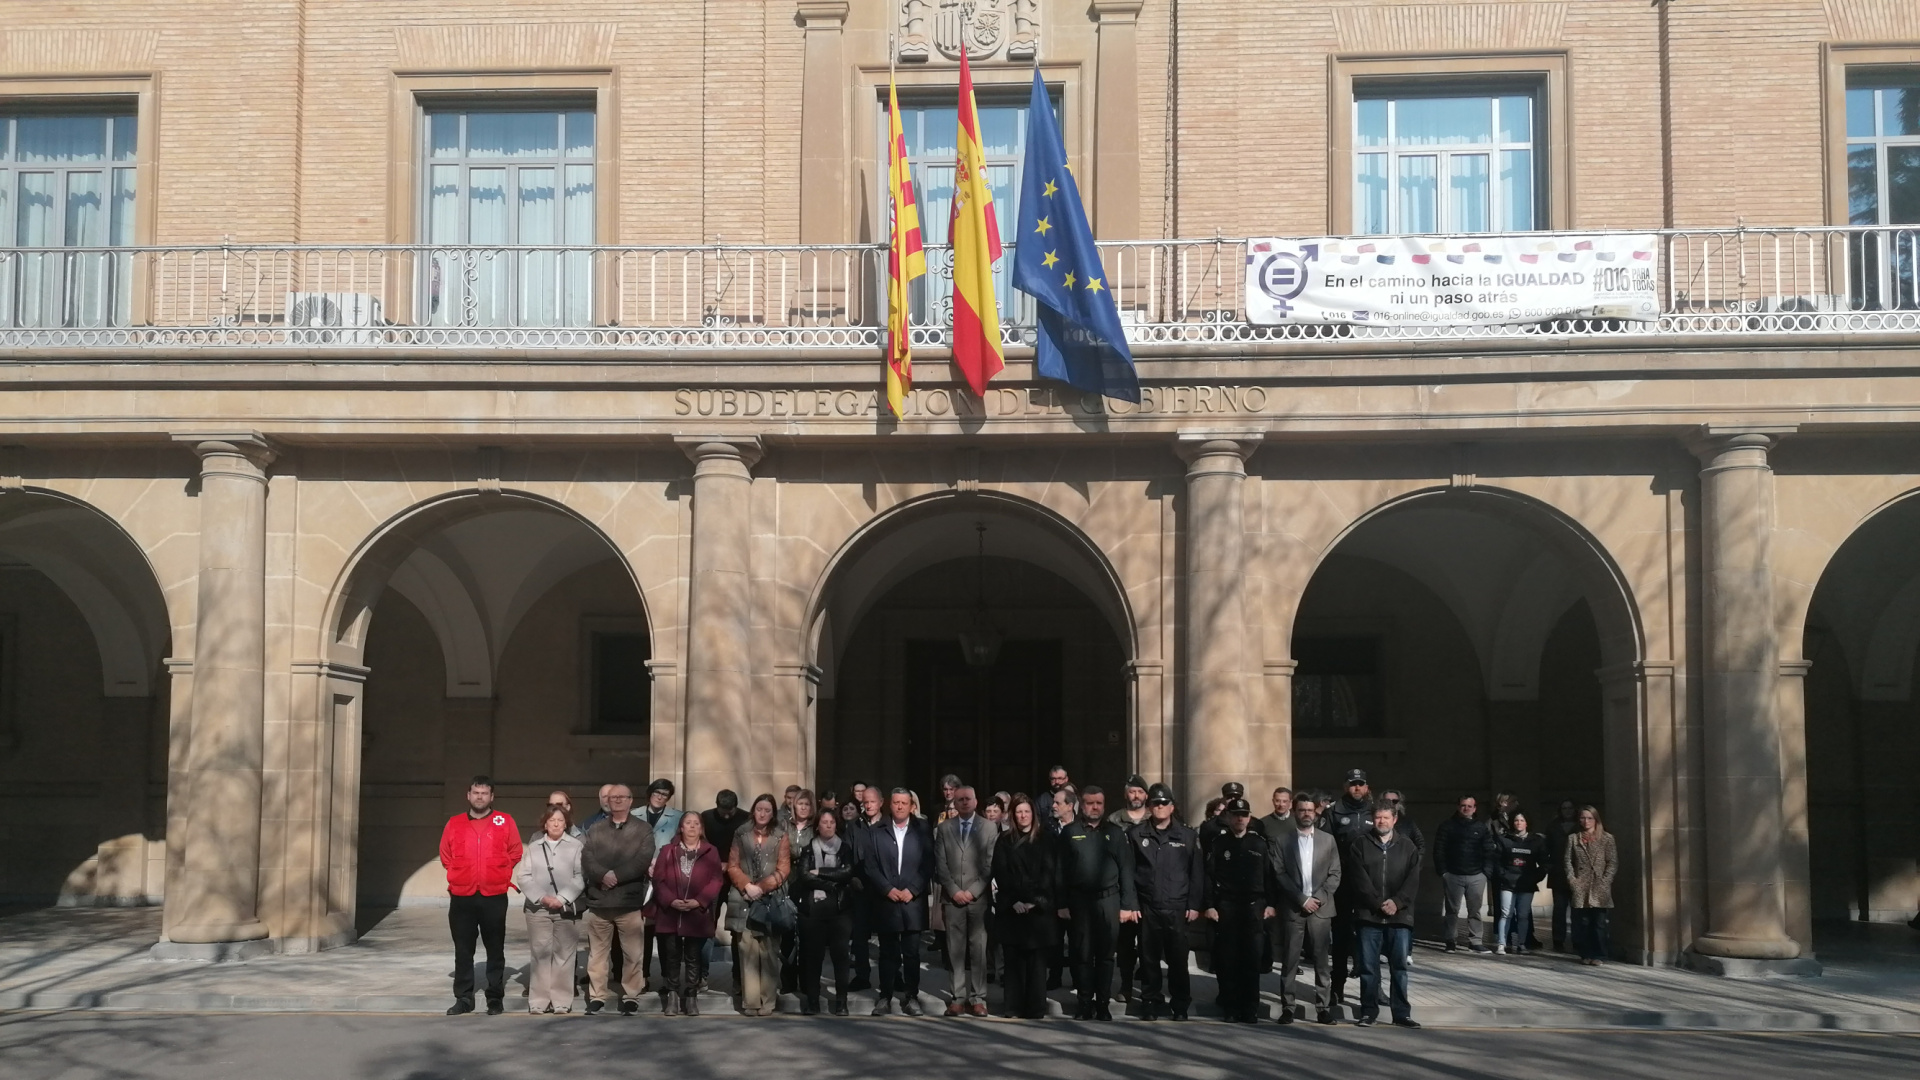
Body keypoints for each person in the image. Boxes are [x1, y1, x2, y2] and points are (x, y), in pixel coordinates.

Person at [439, 776, 522, 1016]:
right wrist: (460, 872)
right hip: (462, 896)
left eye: (484, 793)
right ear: (468, 795)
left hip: (493, 895)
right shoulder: (454, 823)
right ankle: (464, 998)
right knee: (463, 950)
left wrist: (500, 872)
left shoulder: (504, 821)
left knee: (495, 948)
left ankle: (495, 997)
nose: (479, 797)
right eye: (476, 792)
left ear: (492, 797)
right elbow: (445, 854)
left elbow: (515, 851)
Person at [1057, 786, 1139, 1021]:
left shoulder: (1115, 833)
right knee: (1082, 954)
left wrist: (1128, 905)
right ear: (1081, 805)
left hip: (1108, 901)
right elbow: (1060, 871)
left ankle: (1102, 1004)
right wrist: (1062, 903)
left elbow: (1126, 870)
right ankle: (1084, 1003)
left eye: (1099, 803)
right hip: (1079, 902)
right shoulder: (1070, 833)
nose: (1095, 807)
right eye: (1090, 803)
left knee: (1105, 956)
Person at [1129, 782, 1204, 1022]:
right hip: (1147, 907)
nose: (1160, 807)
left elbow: (1196, 873)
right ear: (1149, 806)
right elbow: (1129, 873)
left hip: (1177, 907)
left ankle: (1180, 1005)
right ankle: (1150, 1002)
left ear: (1172, 807)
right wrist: (1131, 904)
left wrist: (1194, 904)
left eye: (1164, 803)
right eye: (1155, 803)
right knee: (1148, 960)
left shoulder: (1188, 836)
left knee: (1178, 961)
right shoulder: (1136, 834)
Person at [582, 783, 656, 1015]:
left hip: (628, 902)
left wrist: (617, 876)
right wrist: (603, 875)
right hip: (599, 902)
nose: (616, 800)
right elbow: (587, 857)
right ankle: (597, 996)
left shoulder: (642, 829)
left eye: (622, 797)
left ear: (630, 801)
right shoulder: (595, 829)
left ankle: (631, 996)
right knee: (597, 956)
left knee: (633, 955)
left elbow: (643, 859)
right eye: (613, 797)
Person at [1347, 803, 1420, 1029]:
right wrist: (1378, 903)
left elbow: (1413, 880)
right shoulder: (1360, 844)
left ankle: (1401, 1014)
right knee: (1369, 968)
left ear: (1394, 819)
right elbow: (1358, 879)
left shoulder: (1408, 846)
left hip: (1400, 918)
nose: (1382, 821)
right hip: (1369, 916)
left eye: (1386, 817)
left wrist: (1397, 902)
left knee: (1399, 968)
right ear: (1373, 819)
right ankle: (1368, 1012)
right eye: (1378, 817)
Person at [645, 812, 724, 1016]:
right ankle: (672, 995)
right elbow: (658, 880)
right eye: (688, 823)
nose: (692, 826)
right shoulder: (668, 850)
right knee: (671, 956)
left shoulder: (710, 851)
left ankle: (691, 995)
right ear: (681, 827)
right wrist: (671, 900)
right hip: (670, 911)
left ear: (701, 828)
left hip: (696, 912)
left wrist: (699, 900)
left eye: (696, 823)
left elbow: (716, 879)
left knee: (693, 957)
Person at [1271, 792, 1341, 1024]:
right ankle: (1288, 1007)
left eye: (1310, 810)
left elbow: (1335, 874)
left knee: (1321, 961)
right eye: (1302, 810)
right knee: (1290, 960)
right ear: (1295, 812)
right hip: (1294, 907)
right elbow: (1279, 873)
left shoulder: (1328, 840)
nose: (1306, 814)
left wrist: (1317, 898)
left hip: (1321, 909)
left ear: (1315, 813)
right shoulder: (1283, 840)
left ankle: (1323, 1007)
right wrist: (1302, 899)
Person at [864, 788, 934, 1015]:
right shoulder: (876, 831)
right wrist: (887, 889)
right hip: (887, 902)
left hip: (913, 901)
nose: (900, 806)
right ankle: (885, 997)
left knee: (912, 953)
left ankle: (911, 997)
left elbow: (929, 863)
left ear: (912, 806)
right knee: (887, 953)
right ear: (890, 804)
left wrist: (913, 889)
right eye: (896, 802)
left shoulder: (923, 829)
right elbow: (870, 866)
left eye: (904, 803)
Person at [1202, 797, 1272, 1024]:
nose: (1240, 819)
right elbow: (1209, 877)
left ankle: (1250, 1008)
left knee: (1252, 960)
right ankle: (1230, 1007)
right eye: (1236, 815)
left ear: (1249, 818)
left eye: (1244, 815)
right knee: (1228, 960)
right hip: (1227, 907)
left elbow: (1269, 876)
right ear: (1228, 817)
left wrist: (1271, 904)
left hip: (1253, 907)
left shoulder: (1259, 844)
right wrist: (1209, 905)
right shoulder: (1219, 843)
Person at [933, 784, 999, 1016]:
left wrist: (973, 891)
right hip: (952, 898)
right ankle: (958, 997)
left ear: (975, 801)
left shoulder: (989, 827)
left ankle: (978, 998)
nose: (964, 802)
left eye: (967, 799)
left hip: (978, 898)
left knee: (978, 949)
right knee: (955, 949)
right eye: (959, 799)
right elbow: (940, 864)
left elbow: (990, 864)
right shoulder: (945, 828)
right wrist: (953, 890)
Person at [991, 794, 1058, 1019]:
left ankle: (1036, 1007)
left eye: (1026, 811)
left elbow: (1050, 872)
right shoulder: (1004, 840)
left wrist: (1035, 901)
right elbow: (1001, 871)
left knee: (1037, 964)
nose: (1023, 816)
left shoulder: (1046, 839)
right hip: (1013, 908)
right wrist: (1014, 901)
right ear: (1013, 815)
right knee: (1014, 962)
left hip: (1038, 909)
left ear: (1033, 814)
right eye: (1019, 812)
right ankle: (1013, 1007)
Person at [514, 804, 585, 1014]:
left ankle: (561, 1001)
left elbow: (580, 876)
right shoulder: (534, 847)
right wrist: (542, 897)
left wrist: (562, 899)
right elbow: (523, 876)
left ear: (566, 824)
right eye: (551, 820)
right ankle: (539, 1001)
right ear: (545, 824)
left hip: (566, 908)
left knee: (564, 955)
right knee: (540, 954)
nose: (555, 824)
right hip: (538, 909)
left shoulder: (576, 846)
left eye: (560, 821)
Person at [725, 793, 791, 1016]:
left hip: (770, 899)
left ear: (773, 814)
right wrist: (746, 886)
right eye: (759, 809)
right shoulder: (741, 833)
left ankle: (768, 1001)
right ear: (753, 810)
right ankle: (751, 1001)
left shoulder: (780, 835)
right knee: (748, 952)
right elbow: (732, 865)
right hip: (744, 898)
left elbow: (784, 869)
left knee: (769, 953)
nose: (762, 814)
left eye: (767, 810)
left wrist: (761, 887)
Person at [794, 804, 858, 1015]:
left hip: (840, 910)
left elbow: (847, 872)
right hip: (813, 911)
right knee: (814, 958)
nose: (829, 826)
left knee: (841, 957)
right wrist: (832, 883)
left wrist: (820, 871)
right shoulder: (808, 849)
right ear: (818, 826)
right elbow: (804, 876)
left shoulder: (845, 848)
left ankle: (841, 1002)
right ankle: (813, 1001)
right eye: (824, 822)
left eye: (832, 822)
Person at [1434, 794, 1497, 954]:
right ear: (1458, 807)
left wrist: (1486, 873)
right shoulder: (1447, 826)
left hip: (1477, 876)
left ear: (1475, 809)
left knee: (1475, 911)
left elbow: (1489, 851)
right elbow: (1439, 850)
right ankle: (1450, 941)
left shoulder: (1481, 827)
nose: (1466, 808)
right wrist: (1443, 872)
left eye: (1470, 806)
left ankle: (1476, 942)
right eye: (1463, 805)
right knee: (1451, 911)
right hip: (1453, 875)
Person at [639, 779, 684, 988]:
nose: (660, 797)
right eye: (657, 792)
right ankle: (642, 976)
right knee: (642, 932)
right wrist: (644, 865)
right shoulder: (635, 814)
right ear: (650, 793)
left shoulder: (677, 817)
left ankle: (668, 978)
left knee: (666, 932)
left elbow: (679, 846)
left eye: (665, 794)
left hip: (666, 880)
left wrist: (660, 865)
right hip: (640, 878)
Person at [1566, 805, 1617, 966]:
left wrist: (1606, 880)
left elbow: (1612, 862)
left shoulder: (1607, 838)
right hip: (1581, 884)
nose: (1586, 821)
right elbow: (1568, 861)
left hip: (1599, 885)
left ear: (1596, 820)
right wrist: (1572, 880)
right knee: (1583, 923)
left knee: (1599, 923)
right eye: (1583, 818)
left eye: (1589, 818)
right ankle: (1585, 954)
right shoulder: (1574, 838)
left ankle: (1600, 954)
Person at [779, 789, 818, 995]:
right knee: (787, 934)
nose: (803, 808)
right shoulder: (784, 825)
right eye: (800, 804)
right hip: (786, 882)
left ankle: (807, 981)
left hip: (808, 884)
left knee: (807, 936)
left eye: (807, 804)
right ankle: (788, 981)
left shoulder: (816, 827)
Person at [1493, 811, 1545, 955]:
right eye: (1516, 820)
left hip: (1526, 884)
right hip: (1507, 883)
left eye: (1522, 820)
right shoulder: (1504, 839)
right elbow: (1496, 861)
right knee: (1506, 913)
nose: (1519, 823)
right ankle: (1501, 944)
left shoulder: (1536, 841)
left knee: (1523, 915)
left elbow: (1544, 863)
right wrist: (1503, 876)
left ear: (1527, 823)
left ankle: (1522, 944)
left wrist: (1536, 877)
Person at [1548, 800, 1580, 951]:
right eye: (1564, 808)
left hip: (1578, 874)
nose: (1567, 811)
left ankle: (1577, 940)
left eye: (1570, 808)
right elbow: (1546, 848)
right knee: (1559, 909)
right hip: (1558, 874)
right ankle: (1558, 940)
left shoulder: (1581, 826)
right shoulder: (1553, 827)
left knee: (1577, 910)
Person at [1196, 782, 1246, 856]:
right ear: (1223, 800)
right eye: (1229, 797)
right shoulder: (1210, 826)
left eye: (1236, 797)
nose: (1233, 799)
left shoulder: (1254, 824)